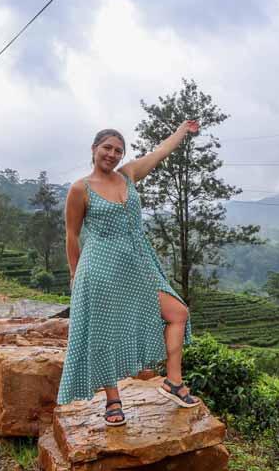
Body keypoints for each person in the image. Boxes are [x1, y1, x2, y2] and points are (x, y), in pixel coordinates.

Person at [57, 120, 202, 426]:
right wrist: (74, 276)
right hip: (100, 269)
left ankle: (173, 382)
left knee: (178, 313)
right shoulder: (80, 189)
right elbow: (72, 235)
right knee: (106, 333)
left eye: (118, 150)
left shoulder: (129, 175)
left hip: (138, 265)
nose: (112, 154)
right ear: (94, 149)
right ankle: (113, 401)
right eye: (107, 148)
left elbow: (160, 152)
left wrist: (181, 130)